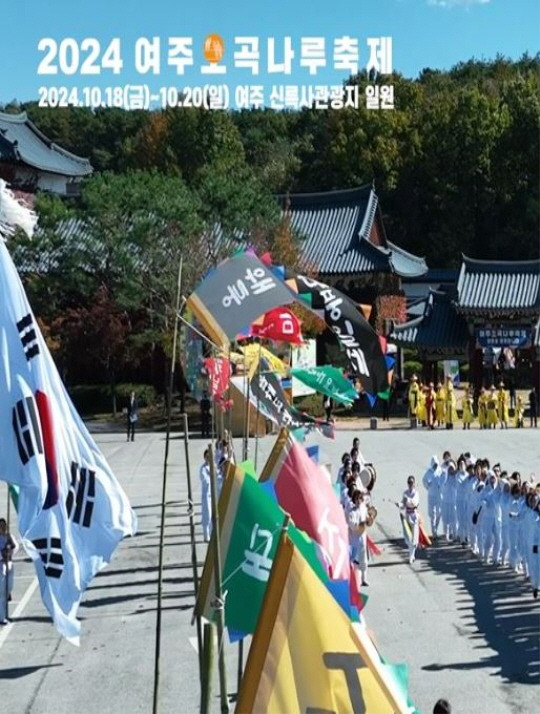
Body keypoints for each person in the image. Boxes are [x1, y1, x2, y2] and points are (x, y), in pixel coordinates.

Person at [348, 490, 369, 586]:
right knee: (355, 560)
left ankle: (364, 578)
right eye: (356, 498)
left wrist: (370, 518)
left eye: (360, 498)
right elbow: (352, 525)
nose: (358, 500)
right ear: (354, 500)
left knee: (364, 558)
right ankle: (356, 579)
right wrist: (360, 524)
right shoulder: (352, 512)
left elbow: (368, 519)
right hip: (355, 538)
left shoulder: (364, 508)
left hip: (363, 537)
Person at [0, 518, 19, 625]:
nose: (2, 527)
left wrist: (10, 550)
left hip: (10, 564)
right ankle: (2, 617)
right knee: (2, 592)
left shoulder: (9, 536)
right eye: (0, 526)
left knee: (9, 588)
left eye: (4, 525)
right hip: (1, 564)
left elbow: (16, 546)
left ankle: (5, 614)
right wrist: (2, 553)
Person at [401, 476, 420, 564]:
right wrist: (400, 504)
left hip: (414, 516)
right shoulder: (405, 493)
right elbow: (403, 504)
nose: (410, 484)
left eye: (412, 482)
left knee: (414, 539)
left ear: (414, 483)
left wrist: (407, 500)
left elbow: (414, 503)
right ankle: (411, 555)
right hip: (407, 516)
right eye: (409, 482)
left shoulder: (416, 493)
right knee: (408, 537)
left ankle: (412, 555)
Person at [422, 456, 442, 540]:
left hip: (439, 495)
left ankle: (436, 529)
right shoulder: (428, 472)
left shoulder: (440, 471)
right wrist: (428, 486)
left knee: (439, 513)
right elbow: (424, 480)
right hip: (431, 495)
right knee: (433, 514)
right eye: (434, 464)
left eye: (436, 464)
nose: (435, 466)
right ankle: (434, 532)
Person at [200, 450, 213, 542]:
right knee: (207, 514)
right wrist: (211, 476)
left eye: (210, 457)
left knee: (213, 515)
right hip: (206, 494)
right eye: (207, 457)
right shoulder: (203, 468)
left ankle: (212, 533)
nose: (208, 459)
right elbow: (204, 479)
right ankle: (206, 534)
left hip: (213, 494)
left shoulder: (213, 467)